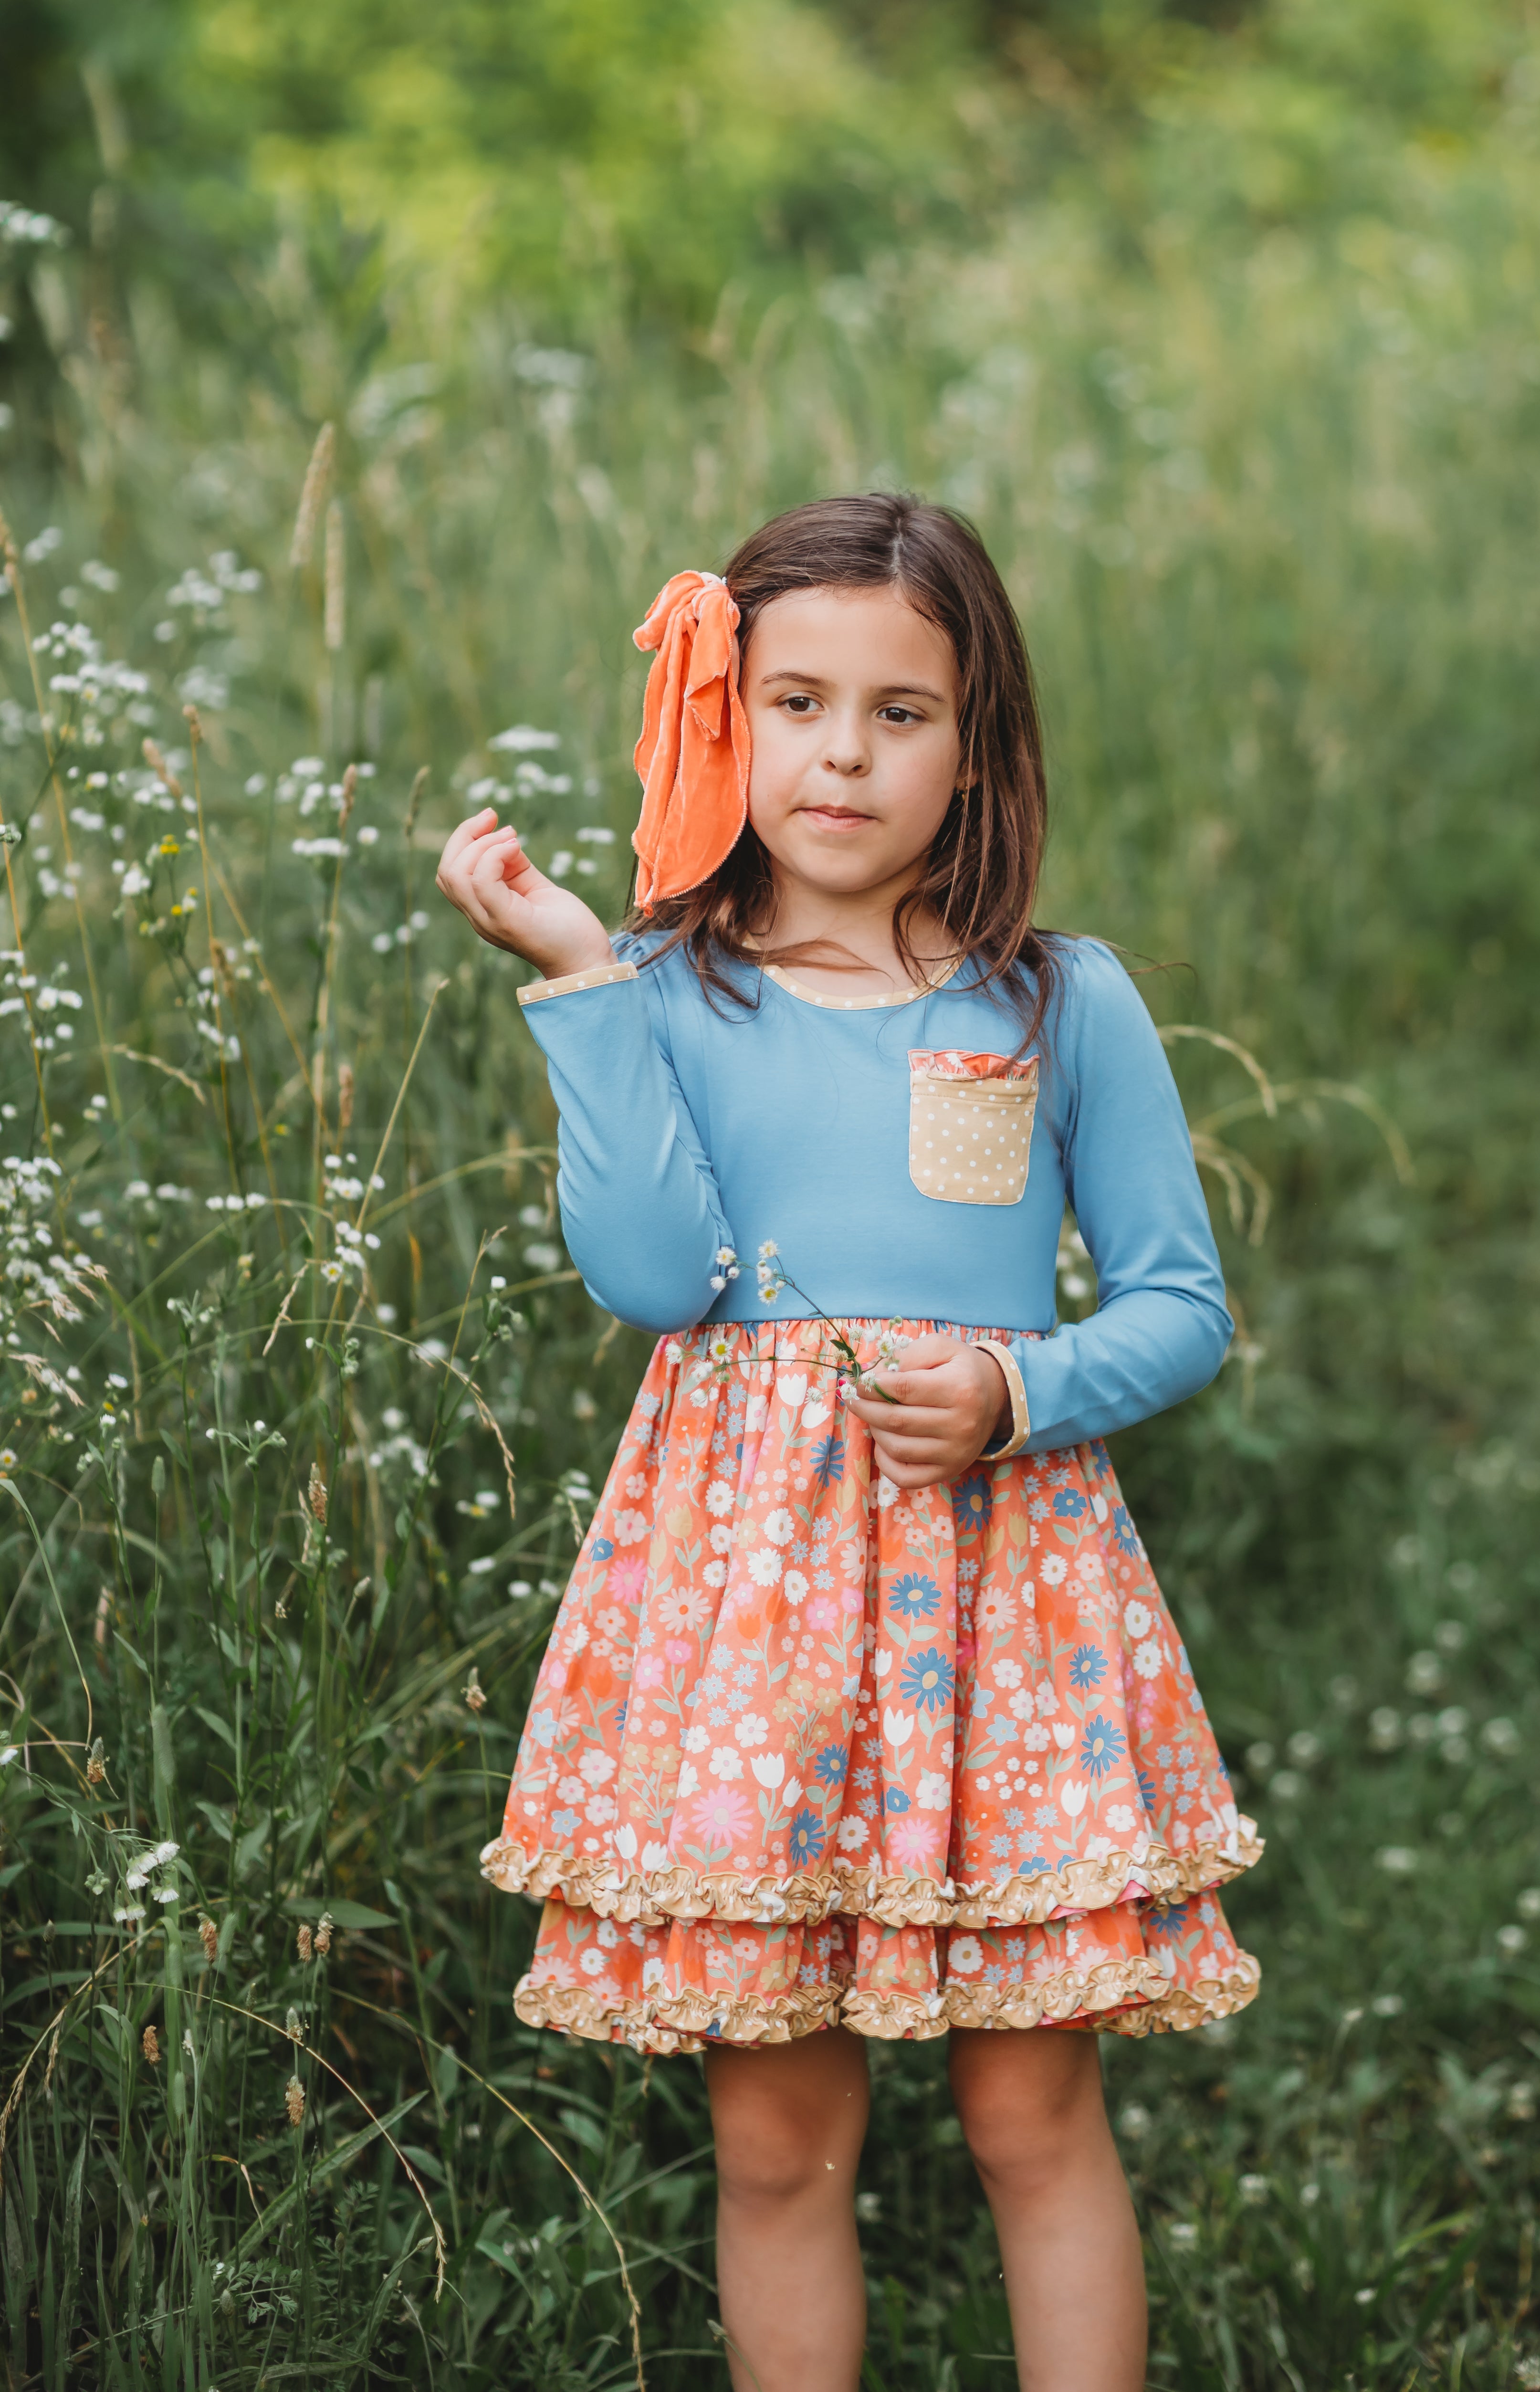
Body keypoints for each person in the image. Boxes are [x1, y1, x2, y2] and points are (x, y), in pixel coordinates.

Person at [437, 493, 1261, 2392]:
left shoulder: (1060, 998)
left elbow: (1174, 1297)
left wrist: (1015, 1391)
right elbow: (654, 1277)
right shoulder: (666, 990)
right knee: (778, 2137)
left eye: (901, 710)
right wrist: (572, 970)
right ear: (730, 720)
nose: (841, 752)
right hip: (750, 1625)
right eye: (797, 699)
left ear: (975, 742)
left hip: (1002, 1599)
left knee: (1027, 2117)